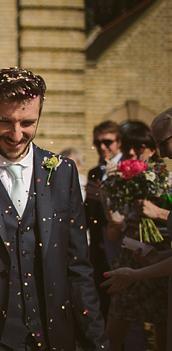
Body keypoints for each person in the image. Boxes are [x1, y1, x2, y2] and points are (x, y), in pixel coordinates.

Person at [0, 67, 108, 350]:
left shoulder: (63, 172)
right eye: (5, 121)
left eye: (28, 122)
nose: (16, 134)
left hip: (54, 337)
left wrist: (97, 342)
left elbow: (78, 268)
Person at [102, 107, 172, 348]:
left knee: (163, 333)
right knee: (115, 329)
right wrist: (117, 225)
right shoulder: (119, 182)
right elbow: (112, 234)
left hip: (160, 269)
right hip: (137, 258)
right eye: (128, 149)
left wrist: (159, 214)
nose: (132, 153)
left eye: (140, 147)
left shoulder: (166, 180)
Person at [85, 120, 124, 322]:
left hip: (122, 239)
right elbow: (88, 210)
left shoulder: (127, 169)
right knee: (101, 291)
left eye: (107, 142)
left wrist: (105, 197)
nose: (102, 147)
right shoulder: (94, 172)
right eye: (98, 142)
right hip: (99, 241)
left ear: (119, 143)